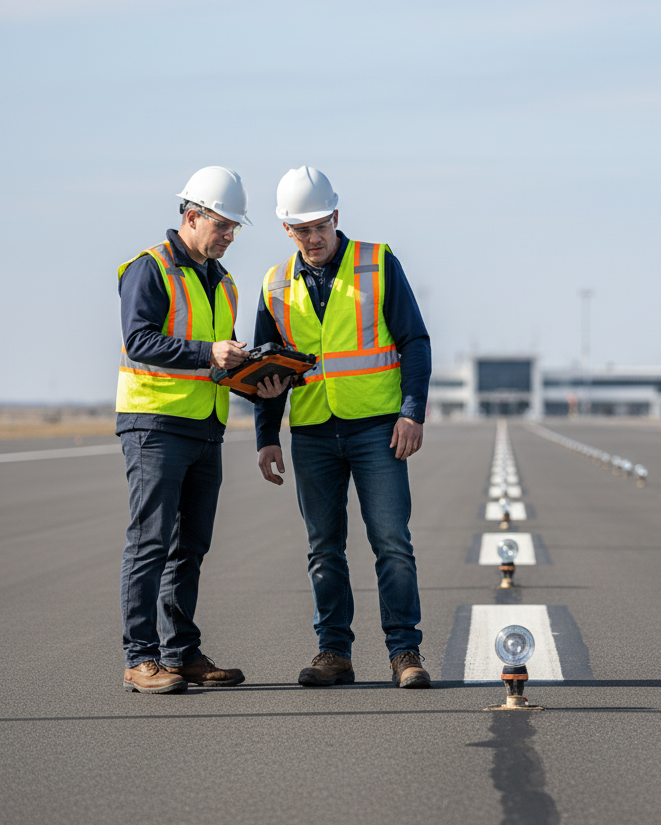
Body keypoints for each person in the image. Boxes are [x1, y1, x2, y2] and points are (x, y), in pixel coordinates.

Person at [254, 166, 431, 689]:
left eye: (318, 226)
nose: (311, 238)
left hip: (379, 429)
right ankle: (334, 653)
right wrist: (266, 435)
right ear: (286, 228)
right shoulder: (276, 282)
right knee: (323, 547)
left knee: (391, 542)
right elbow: (267, 365)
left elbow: (414, 341)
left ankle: (405, 652)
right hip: (310, 433)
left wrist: (412, 410)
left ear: (335, 216)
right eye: (299, 229)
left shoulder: (378, 262)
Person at [116, 167, 289, 693]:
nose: (231, 236)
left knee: (189, 546)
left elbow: (217, 362)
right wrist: (208, 353)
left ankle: (181, 653)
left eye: (236, 228)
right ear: (192, 217)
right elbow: (139, 341)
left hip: (205, 427)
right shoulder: (150, 269)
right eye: (224, 225)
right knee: (150, 543)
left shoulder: (226, 282)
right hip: (155, 425)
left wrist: (253, 383)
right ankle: (140, 658)